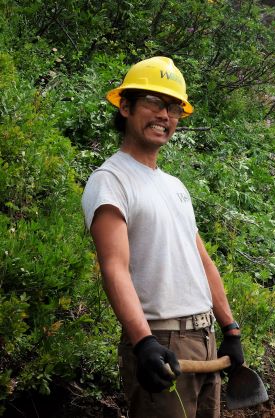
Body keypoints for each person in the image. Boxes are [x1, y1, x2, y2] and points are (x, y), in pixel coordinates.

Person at [81, 56, 244, 418]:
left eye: (173, 108)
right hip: (162, 339)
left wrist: (229, 328)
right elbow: (114, 268)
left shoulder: (174, 186)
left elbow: (201, 260)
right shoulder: (111, 181)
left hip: (205, 338)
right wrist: (144, 343)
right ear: (125, 106)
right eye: (154, 102)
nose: (165, 115)